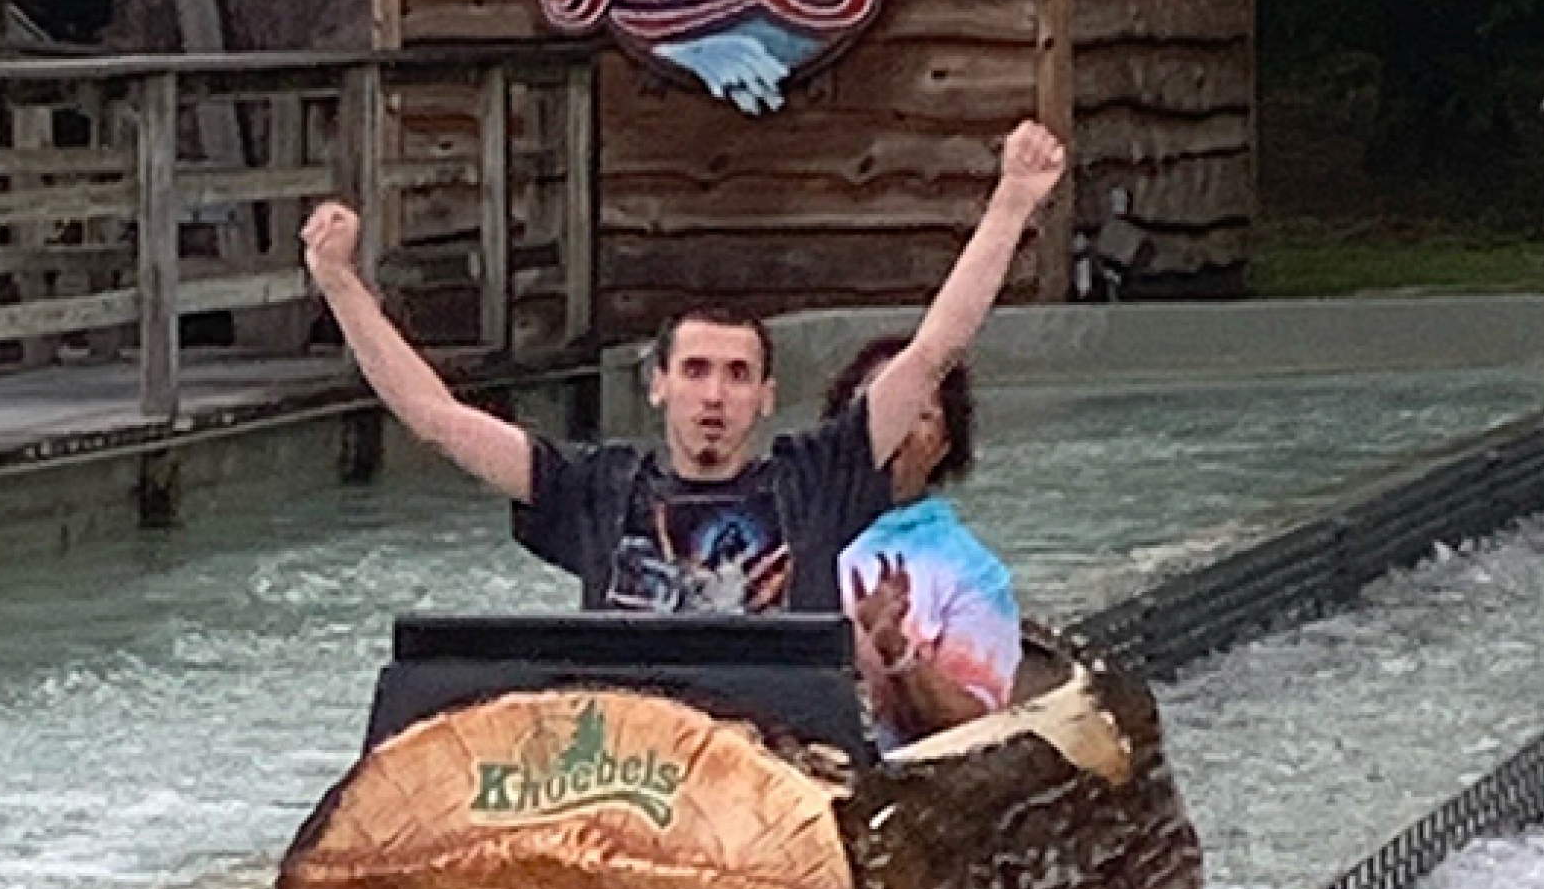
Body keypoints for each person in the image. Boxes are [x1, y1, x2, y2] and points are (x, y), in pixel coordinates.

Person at [299, 119, 1066, 611]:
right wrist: (340, 283)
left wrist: (1009, 204)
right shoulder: (595, 488)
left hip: (774, 765)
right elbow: (435, 419)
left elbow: (933, 351)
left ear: (767, 397)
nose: (714, 394)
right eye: (695, 370)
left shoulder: (815, 477)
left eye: (737, 376)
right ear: (656, 382)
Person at [822, 338, 1021, 748]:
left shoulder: (972, 573)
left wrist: (897, 655)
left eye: (919, 414)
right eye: (878, 406)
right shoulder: (780, 520)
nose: (896, 427)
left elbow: (980, 731)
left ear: (944, 447)